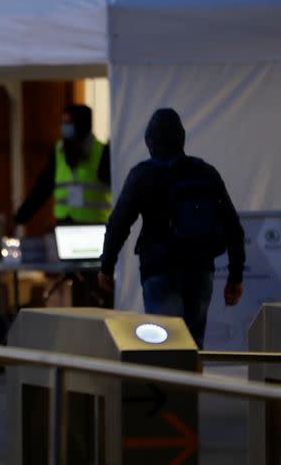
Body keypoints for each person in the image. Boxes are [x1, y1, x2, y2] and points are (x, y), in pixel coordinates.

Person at [98, 108, 245, 348]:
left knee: (165, 347)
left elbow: (119, 223)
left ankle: (170, 386)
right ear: (182, 138)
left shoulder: (143, 175)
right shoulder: (206, 173)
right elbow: (233, 226)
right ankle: (191, 386)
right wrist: (235, 276)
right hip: (200, 271)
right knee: (194, 346)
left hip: (160, 270)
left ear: (149, 141)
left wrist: (107, 265)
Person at [13, 104, 111, 226]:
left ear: (81, 125)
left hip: (94, 227)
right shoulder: (59, 151)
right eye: (64, 123)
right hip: (65, 225)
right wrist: (21, 217)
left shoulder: (102, 152)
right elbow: (42, 188)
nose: (64, 127)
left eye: (69, 123)